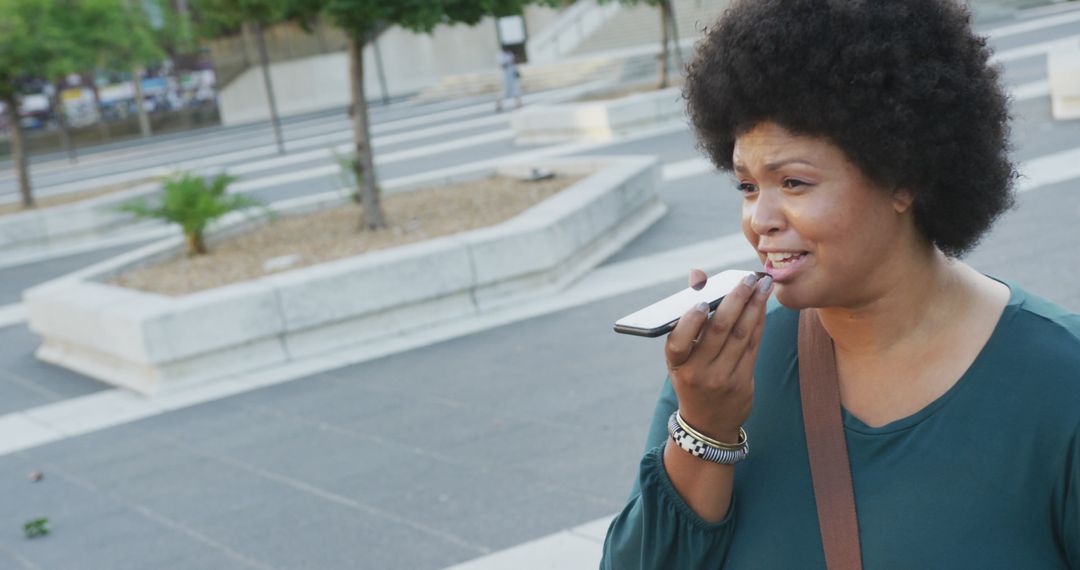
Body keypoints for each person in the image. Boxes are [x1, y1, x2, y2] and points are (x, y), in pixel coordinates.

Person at [601, 0, 1080, 568]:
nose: (761, 220)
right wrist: (706, 428)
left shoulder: (1060, 382)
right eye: (748, 187)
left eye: (794, 182)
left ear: (903, 178)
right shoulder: (720, 373)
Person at [496, 48, 522, 113]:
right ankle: (499, 105)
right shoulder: (500, 55)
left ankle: (518, 104)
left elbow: (515, 64)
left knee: (516, 89)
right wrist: (509, 62)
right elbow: (501, 66)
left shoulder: (510, 54)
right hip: (505, 77)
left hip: (512, 75)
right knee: (504, 91)